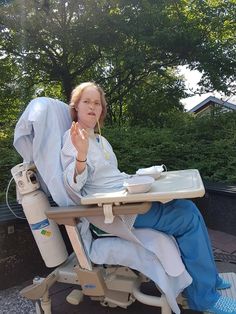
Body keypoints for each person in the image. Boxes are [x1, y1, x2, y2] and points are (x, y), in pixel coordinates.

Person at [61, 82, 236, 314]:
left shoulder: (100, 140)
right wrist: (80, 156)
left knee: (189, 209)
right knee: (187, 217)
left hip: (124, 199)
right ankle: (204, 299)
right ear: (76, 107)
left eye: (97, 103)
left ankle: (210, 279)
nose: (93, 106)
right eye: (87, 101)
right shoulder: (73, 138)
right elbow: (73, 186)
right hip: (110, 215)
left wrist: (138, 179)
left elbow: (111, 177)